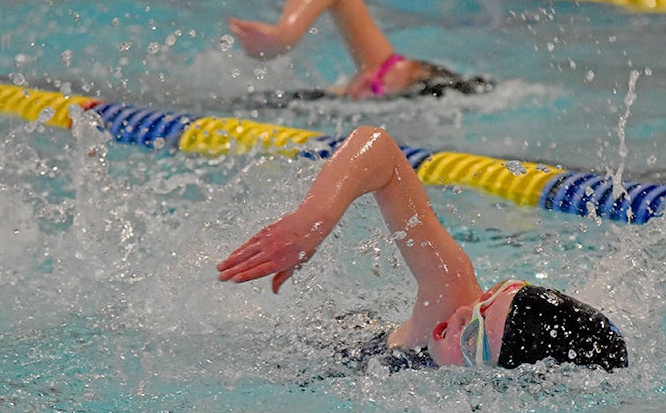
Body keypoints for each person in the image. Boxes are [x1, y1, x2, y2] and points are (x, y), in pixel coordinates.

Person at [217, 126, 628, 372]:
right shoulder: (452, 297)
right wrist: (313, 221)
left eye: (472, 340)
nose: (461, 314)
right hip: (315, 342)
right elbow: (379, 149)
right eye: (487, 301)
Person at [228, 0, 492, 102]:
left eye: (378, 88)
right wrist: (283, 36)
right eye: (384, 69)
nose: (369, 78)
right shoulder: (372, 70)